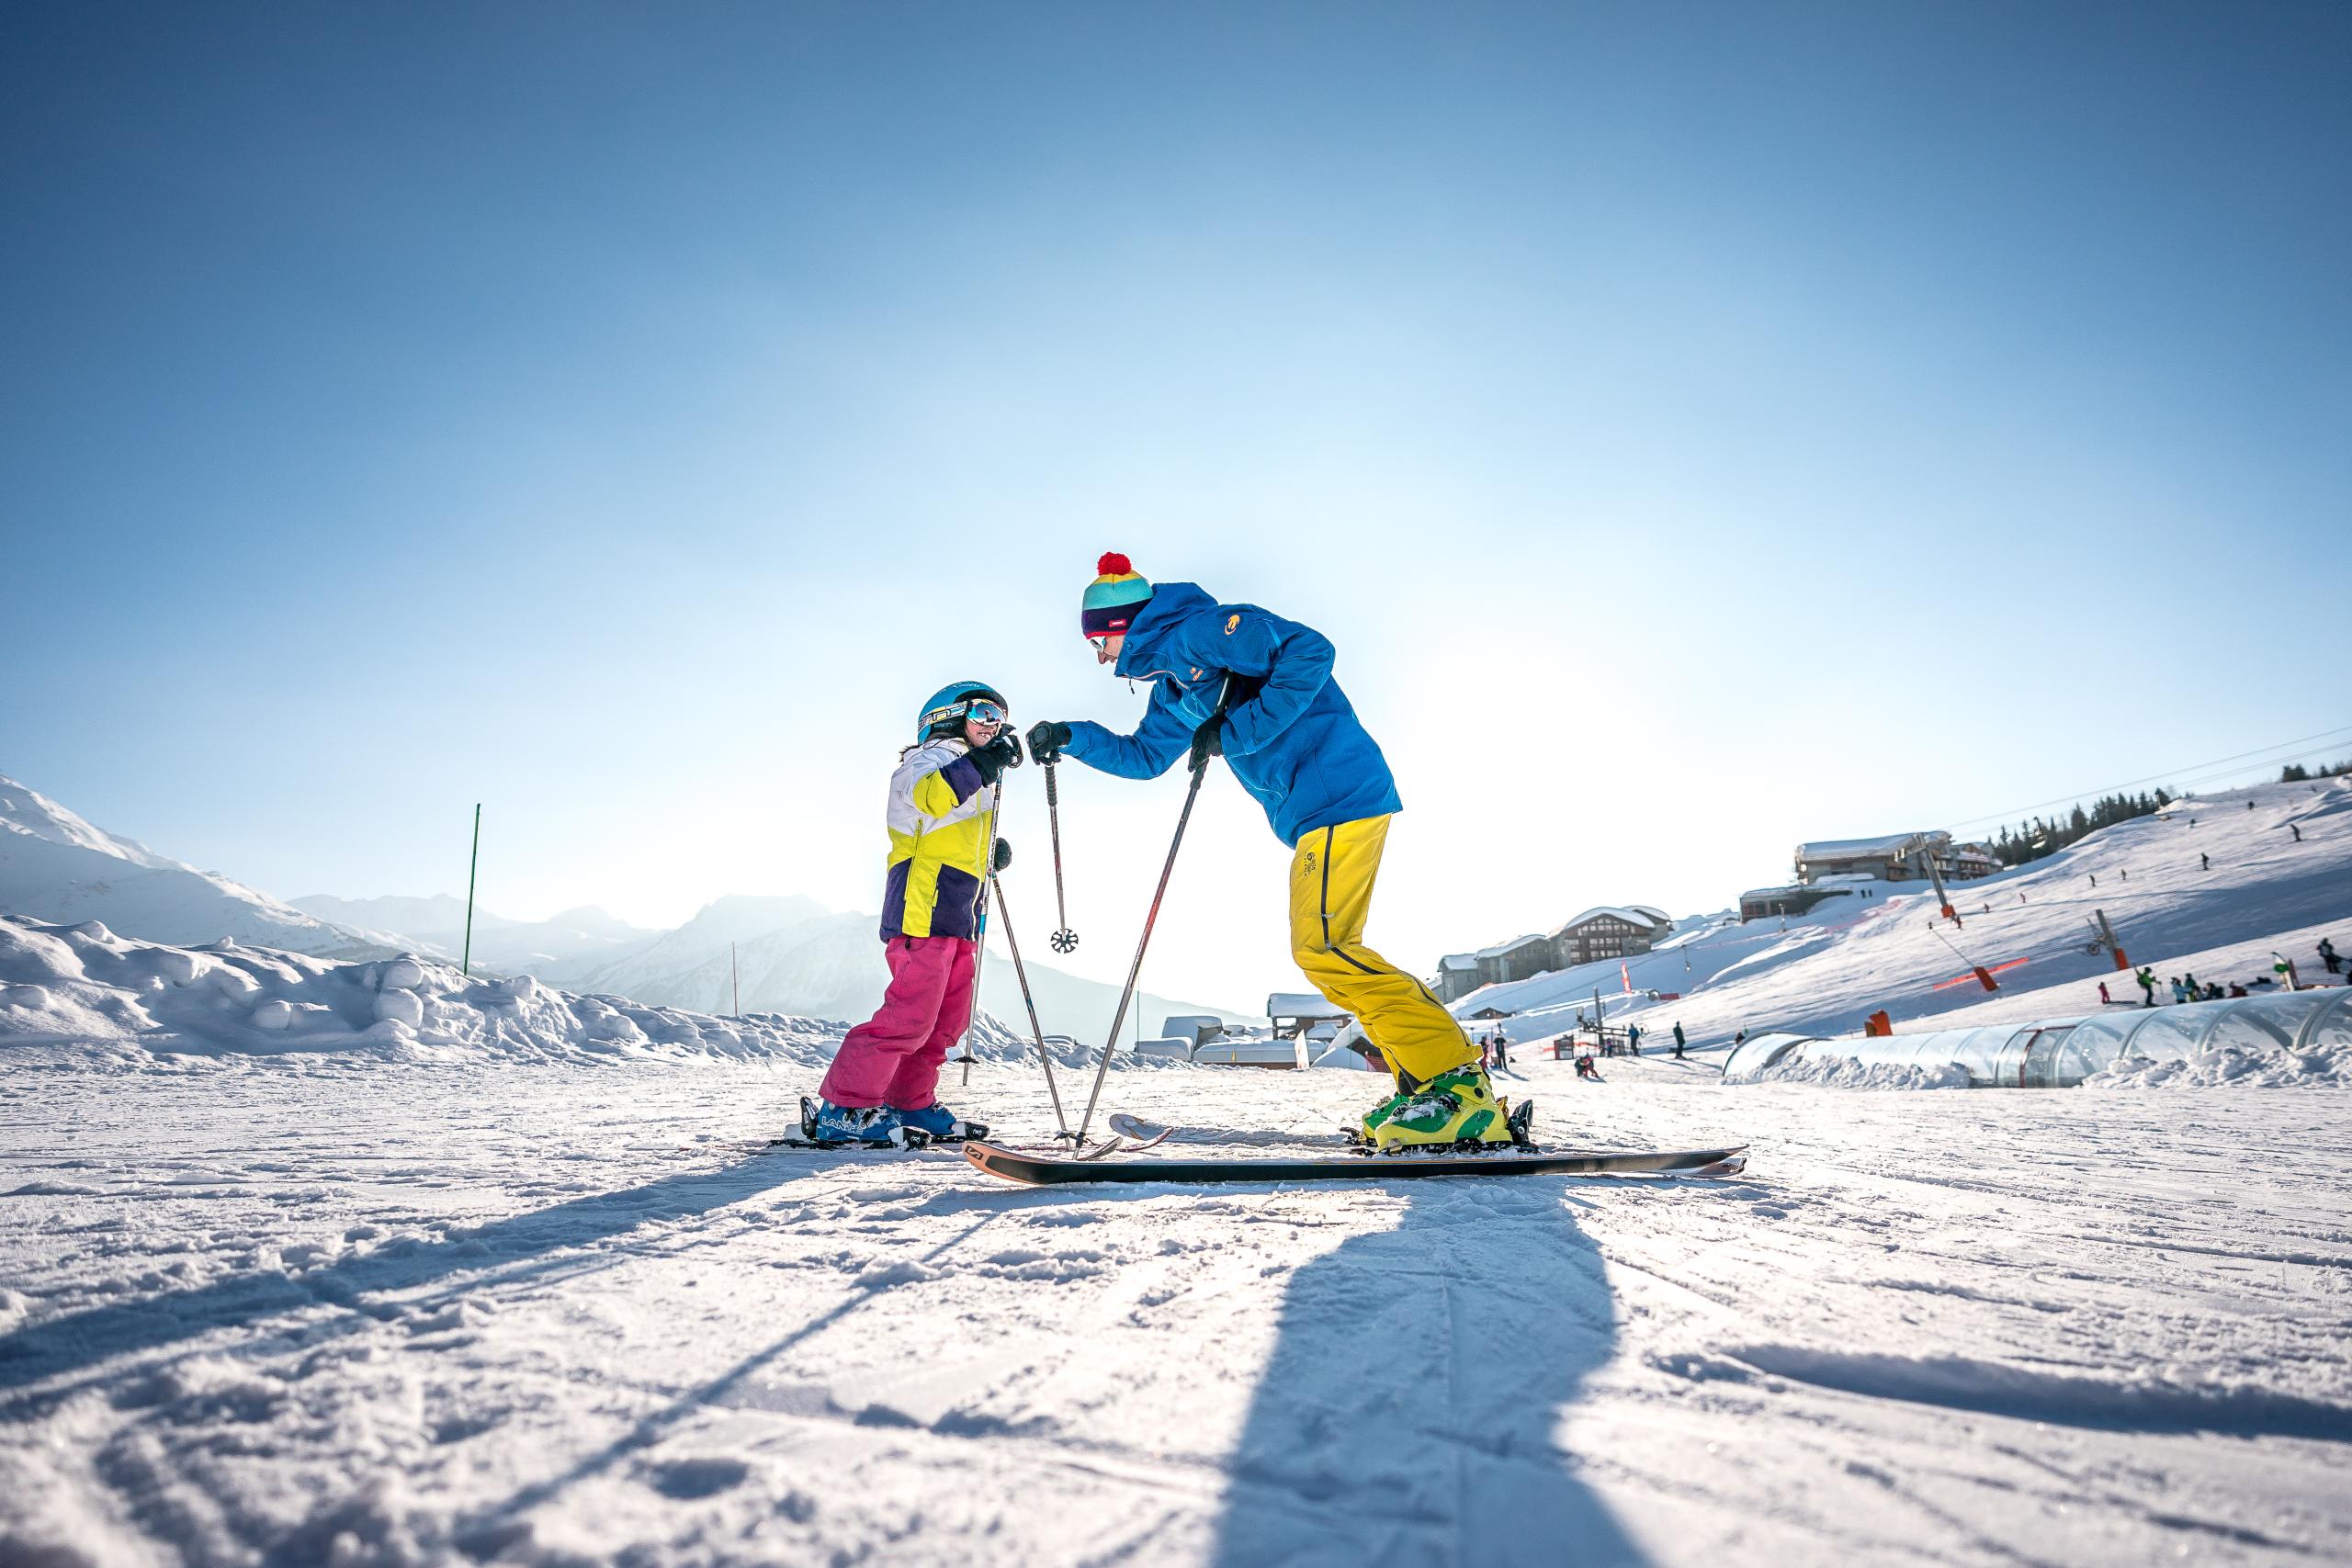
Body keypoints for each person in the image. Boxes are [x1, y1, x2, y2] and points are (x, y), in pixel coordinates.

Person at [1028, 554, 1508, 1150]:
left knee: (1325, 947)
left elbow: (1311, 652)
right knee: (1329, 953)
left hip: (1337, 789)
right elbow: (1145, 757)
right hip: (1314, 810)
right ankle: (1425, 1083)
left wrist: (1234, 731)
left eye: (1098, 642)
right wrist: (1071, 737)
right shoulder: (1174, 685)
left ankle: (1456, 1085)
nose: (1100, 658)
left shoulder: (1202, 631)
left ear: (1121, 626)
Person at [804, 682, 1022, 1145]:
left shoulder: (973, 770)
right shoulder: (927, 760)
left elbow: (948, 827)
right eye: (983, 712)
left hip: (959, 910)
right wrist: (984, 764)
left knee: (947, 1020)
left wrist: (988, 851)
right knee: (911, 1014)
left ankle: (909, 1100)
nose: (992, 724)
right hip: (922, 904)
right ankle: (844, 1107)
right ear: (946, 716)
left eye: (999, 718)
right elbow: (929, 798)